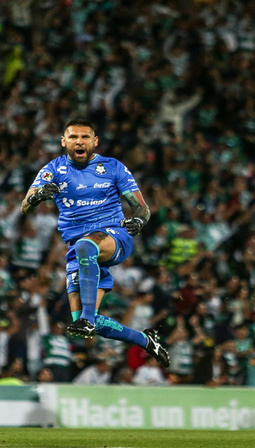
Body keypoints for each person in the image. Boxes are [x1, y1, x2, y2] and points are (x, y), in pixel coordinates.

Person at [20, 119, 169, 367]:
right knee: (88, 323)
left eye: (85, 137)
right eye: (74, 137)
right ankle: (145, 340)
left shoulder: (113, 167)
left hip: (113, 237)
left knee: (86, 249)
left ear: (95, 141)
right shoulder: (53, 169)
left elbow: (142, 209)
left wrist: (139, 222)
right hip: (78, 250)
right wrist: (38, 197)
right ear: (63, 141)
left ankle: (87, 318)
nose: (79, 141)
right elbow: (25, 206)